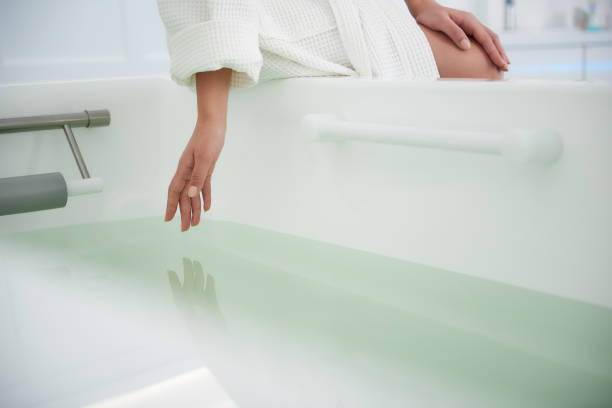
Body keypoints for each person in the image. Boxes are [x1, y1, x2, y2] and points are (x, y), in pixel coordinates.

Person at [158, 0, 509, 231]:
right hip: (268, 18)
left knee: (482, 62)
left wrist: (421, 5)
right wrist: (211, 119)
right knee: (479, 65)